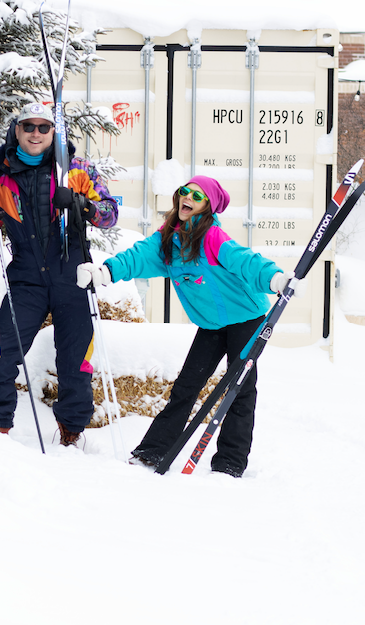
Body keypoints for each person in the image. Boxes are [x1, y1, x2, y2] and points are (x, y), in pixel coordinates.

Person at [75, 176, 293, 477]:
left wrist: (275, 279)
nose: (187, 198)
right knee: (186, 387)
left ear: (207, 207)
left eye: (197, 196)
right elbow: (137, 258)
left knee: (240, 389)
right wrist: (105, 272)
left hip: (246, 317)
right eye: (185, 192)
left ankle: (230, 462)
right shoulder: (168, 240)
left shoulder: (213, 237)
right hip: (212, 324)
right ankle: (152, 452)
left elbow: (247, 262)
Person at [0, 102, 119, 446]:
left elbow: (109, 213)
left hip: (72, 277)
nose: (35, 133)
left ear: (53, 133)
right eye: (27, 126)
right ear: (16, 131)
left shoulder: (75, 170)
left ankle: (72, 432)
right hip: (26, 280)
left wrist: (81, 205)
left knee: (76, 363)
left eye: (43, 127)